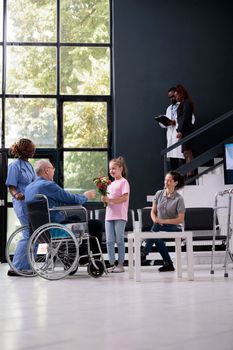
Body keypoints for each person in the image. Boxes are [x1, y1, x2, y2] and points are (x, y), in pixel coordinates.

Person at [24, 160, 103, 258]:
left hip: (38, 230)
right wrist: (85, 196)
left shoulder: (28, 188)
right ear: (47, 170)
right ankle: (90, 258)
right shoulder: (48, 185)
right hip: (54, 227)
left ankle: (75, 256)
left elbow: (55, 201)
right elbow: (71, 199)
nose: (54, 171)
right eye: (53, 168)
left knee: (75, 218)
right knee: (96, 225)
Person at [141, 171, 185, 272]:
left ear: (175, 183)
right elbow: (153, 211)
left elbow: (180, 219)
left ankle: (144, 252)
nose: (166, 182)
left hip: (174, 227)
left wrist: (162, 221)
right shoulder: (158, 193)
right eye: (165, 180)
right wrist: (155, 219)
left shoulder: (179, 199)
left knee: (156, 228)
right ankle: (168, 263)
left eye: (169, 180)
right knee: (157, 238)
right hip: (159, 226)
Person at [5, 138, 36, 276]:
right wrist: (16, 194)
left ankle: (27, 266)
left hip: (32, 202)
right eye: (31, 148)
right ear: (24, 150)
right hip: (21, 203)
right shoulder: (15, 165)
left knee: (34, 234)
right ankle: (16, 267)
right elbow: (11, 186)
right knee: (27, 233)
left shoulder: (29, 165)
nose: (34, 150)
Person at [101, 156, 130, 273]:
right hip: (109, 216)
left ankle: (121, 265)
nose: (111, 171)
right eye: (110, 169)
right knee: (109, 241)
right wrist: (104, 199)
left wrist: (110, 201)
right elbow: (107, 199)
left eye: (114, 168)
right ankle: (112, 263)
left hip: (120, 216)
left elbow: (124, 198)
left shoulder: (124, 182)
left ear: (121, 168)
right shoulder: (109, 184)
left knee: (119, 240)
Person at [175, 84, 195, 169]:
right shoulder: (183, 104)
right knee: (185, 153)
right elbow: (180, 119)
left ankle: (191, 174)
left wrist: (181, 131)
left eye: (177, 96)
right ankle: (189, 173)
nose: (176, 98)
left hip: (186, 132)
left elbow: (185, 118)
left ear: (181, 93)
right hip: (184, 132)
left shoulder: (186, 103)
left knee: (187, 152)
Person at [165, 87, 184, 170]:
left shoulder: (183, 105)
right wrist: (164, 122)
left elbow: (190, 120)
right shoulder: (169, 109)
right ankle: (175, 182)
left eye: (173, 96)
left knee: (183, 159)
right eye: (170, 97)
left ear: (177, 94)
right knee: (173, 162)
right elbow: (166, 124)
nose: (172, 99)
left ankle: (185, 181)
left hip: (180, 135)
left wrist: (176, 122)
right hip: (171, 137)